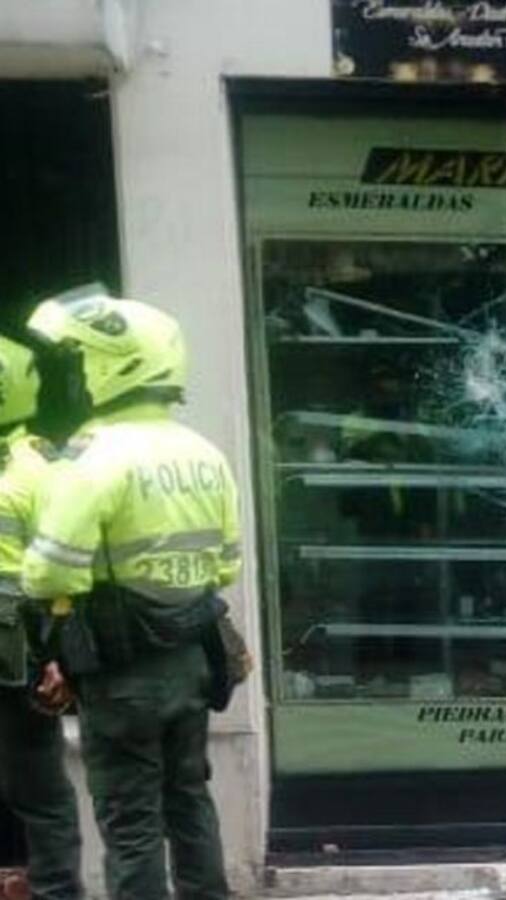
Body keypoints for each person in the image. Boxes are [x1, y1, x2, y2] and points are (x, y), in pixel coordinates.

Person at [19, 289, 241, 900]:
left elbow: (48, 574)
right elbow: (226, 565)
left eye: (81, 362)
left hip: (122, 674)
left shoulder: (96, 459)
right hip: (191, 660)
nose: (79, 376)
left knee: (132, 822)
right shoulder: (206, 454)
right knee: (190, 800)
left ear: (110, 366)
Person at [0, 335, 82, 900]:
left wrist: (62, 656)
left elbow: (65, 576)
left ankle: (54, 891)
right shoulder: (41, 469)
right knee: (37, 784)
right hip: (22, 646)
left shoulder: (36, 470)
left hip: (20, 648)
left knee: (36, 784)